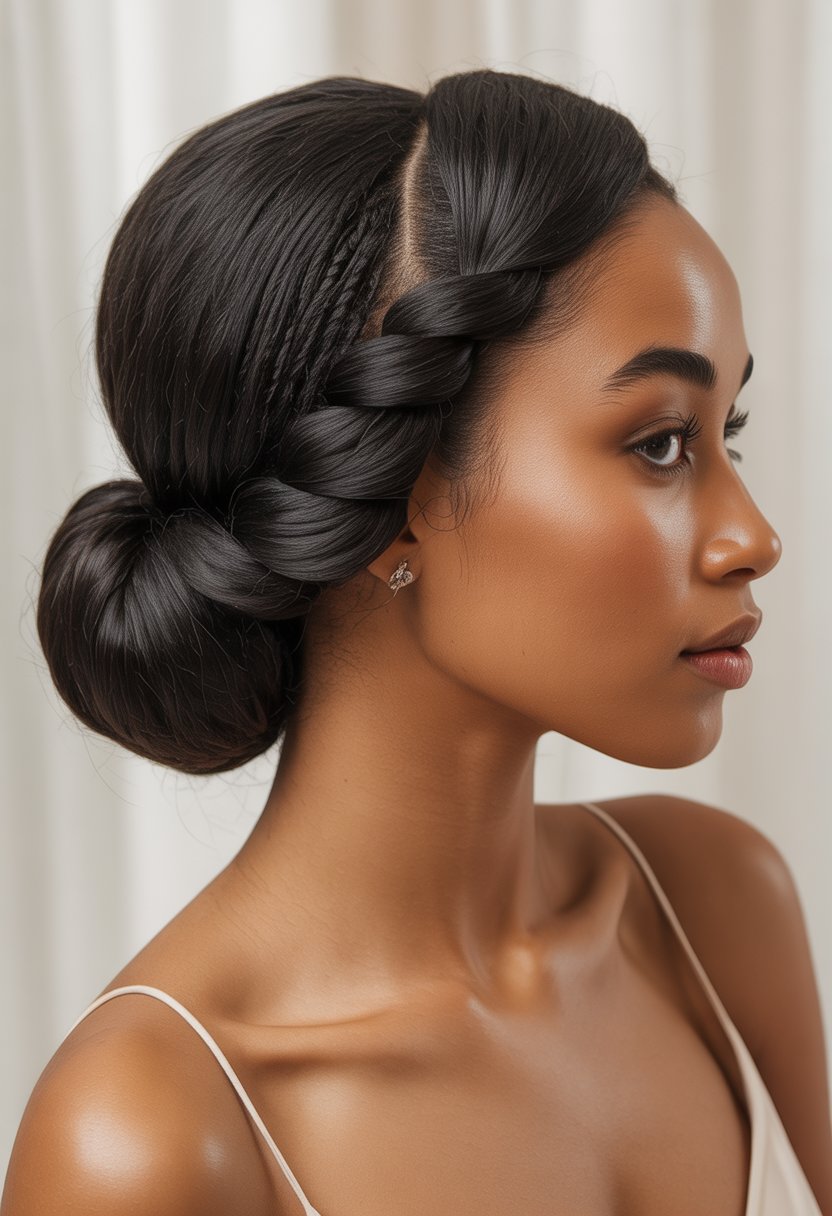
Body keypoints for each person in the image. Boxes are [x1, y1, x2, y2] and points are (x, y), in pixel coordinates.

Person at [2, 69, 830, 1216]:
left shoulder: (715, 907)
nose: (753, 537)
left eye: (723, 428)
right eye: (657, 442)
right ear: (388, 495)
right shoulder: (147, 1135)